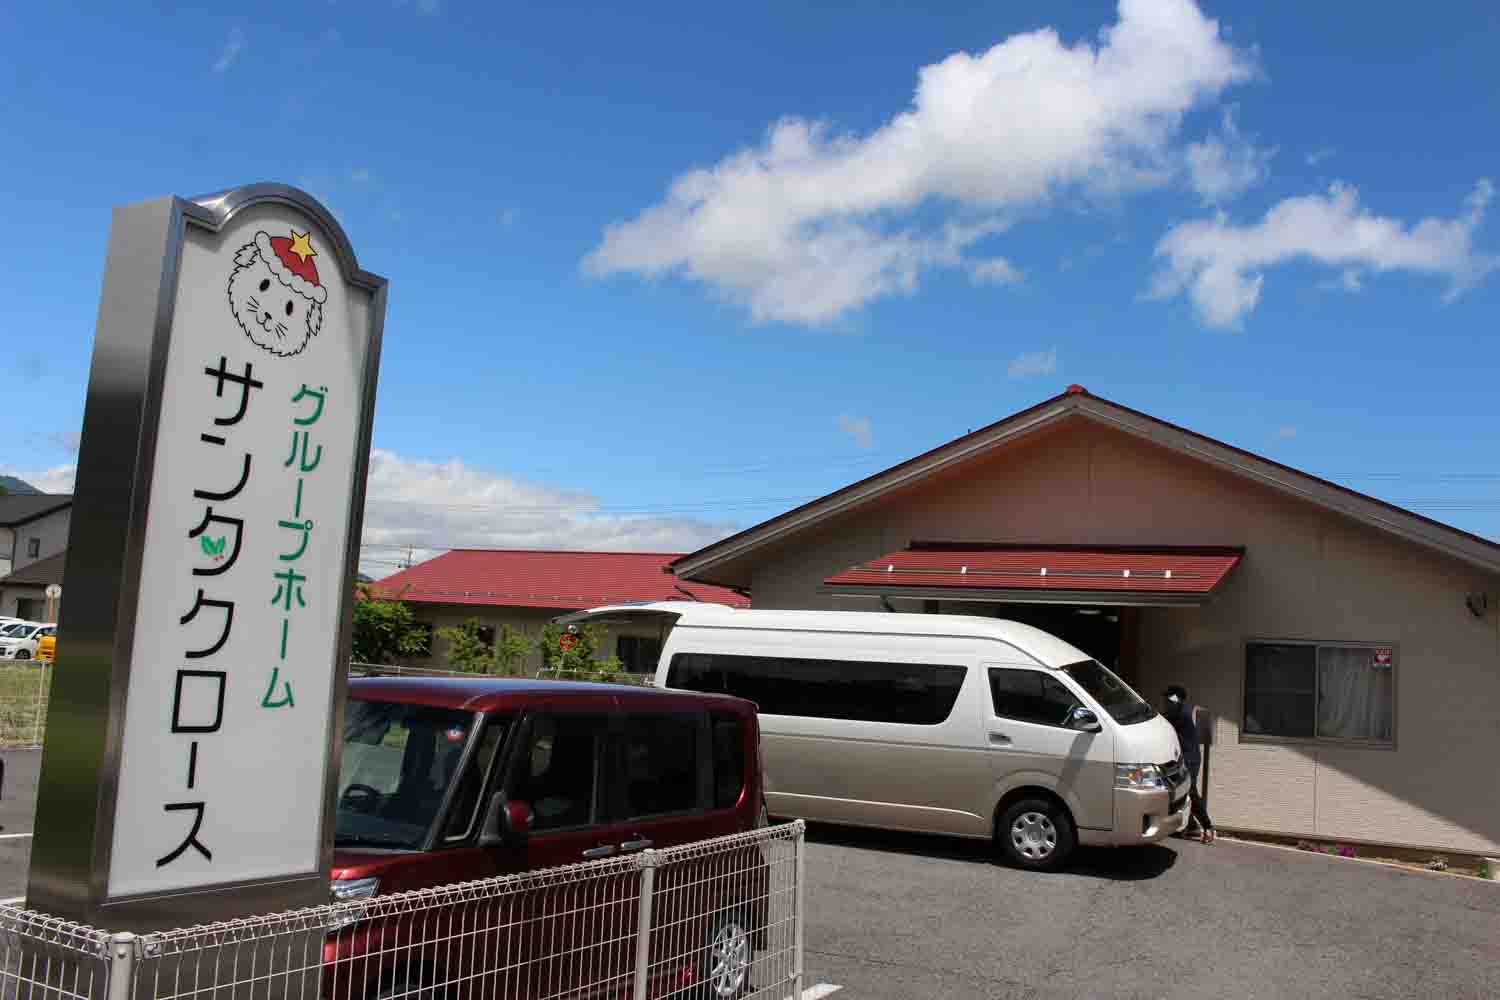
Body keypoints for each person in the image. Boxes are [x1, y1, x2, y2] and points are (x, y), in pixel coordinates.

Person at [1163, 685, 1215, 844]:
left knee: (1190, 791)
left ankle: (1208, 827)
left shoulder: (1180, 714)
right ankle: (1192, 826)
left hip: (1190, 759)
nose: (1165, 702)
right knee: (1182, 791)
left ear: (1175, 700)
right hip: (1187, 757)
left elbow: (1162, 718)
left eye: (1168, 699)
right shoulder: (1179, 712)